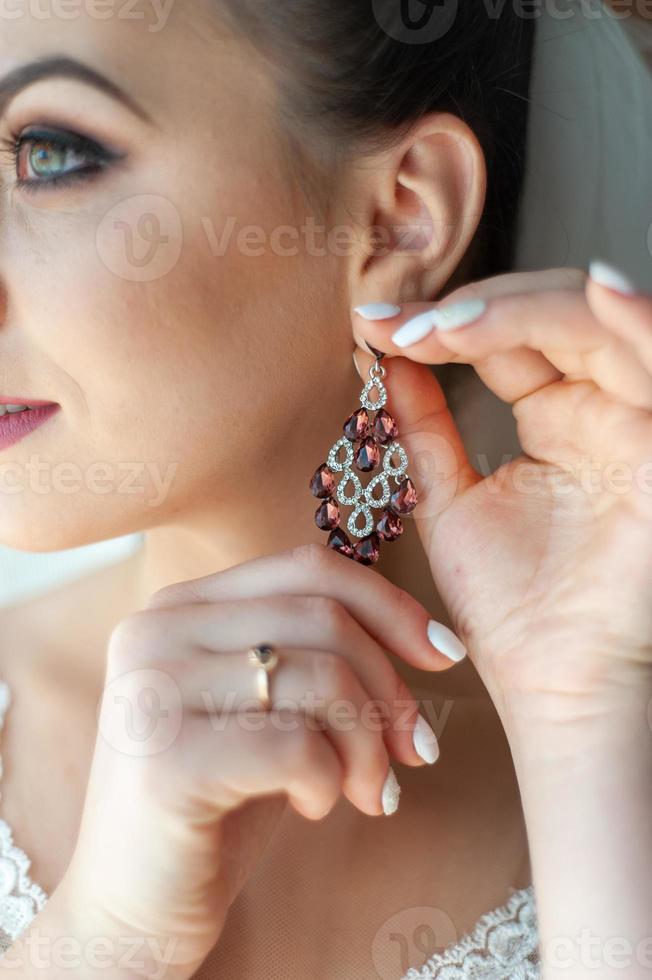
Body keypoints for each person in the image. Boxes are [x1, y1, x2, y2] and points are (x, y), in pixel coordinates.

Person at [0, 1, 650, 978]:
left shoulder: (612, 709)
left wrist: (583, 731)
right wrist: (96, 949)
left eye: (48, 154)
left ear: (398, 214)